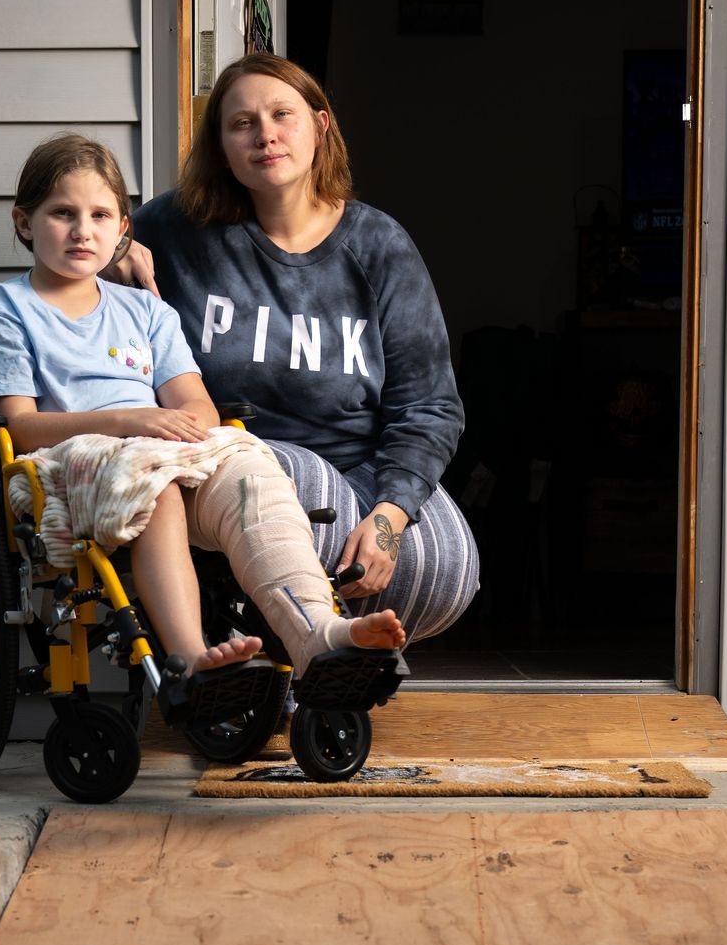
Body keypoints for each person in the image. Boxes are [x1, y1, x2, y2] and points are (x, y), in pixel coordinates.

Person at [0, 133, 405, 699]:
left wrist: (188, 430)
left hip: (154, 454)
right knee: (159, 486)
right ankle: (192, 663)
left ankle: (318, 633)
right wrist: (130, 422)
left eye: (100, 215)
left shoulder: (145, 310)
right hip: (63, 470)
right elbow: (19, 427)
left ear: (124, 229)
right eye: (62, 214)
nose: (82, 231)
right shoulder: (7, 310)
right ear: (24, 222)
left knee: (250, 468)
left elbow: (193, 403)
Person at [124, 53, 479, 644]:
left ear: (320, 125)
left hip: (364, 464)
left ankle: (338, 649)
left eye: (281, 114)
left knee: (445, 566)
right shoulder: (179, 229)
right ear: (221, 146)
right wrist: (117, 253)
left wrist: (389, 516)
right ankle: (312, 655)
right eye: (241, 123)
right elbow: (79, 246)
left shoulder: (379, 245)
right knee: (296, 494)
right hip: (240, 465)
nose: (265, 135)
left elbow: (430, 406)